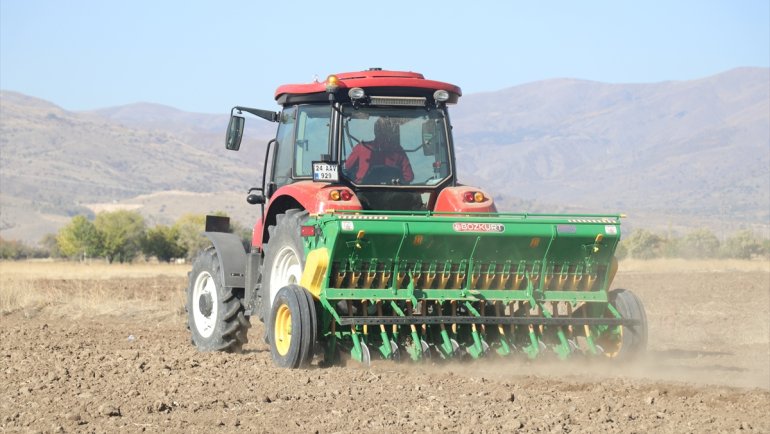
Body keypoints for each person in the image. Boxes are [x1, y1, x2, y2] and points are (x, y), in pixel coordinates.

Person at [345, 117, 414, 184]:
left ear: (375, 131)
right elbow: (409, 177)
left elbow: (347, 168)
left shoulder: (362, 147)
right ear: (391, 132)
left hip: (364, 191)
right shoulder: (398, 149)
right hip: (392, 192)